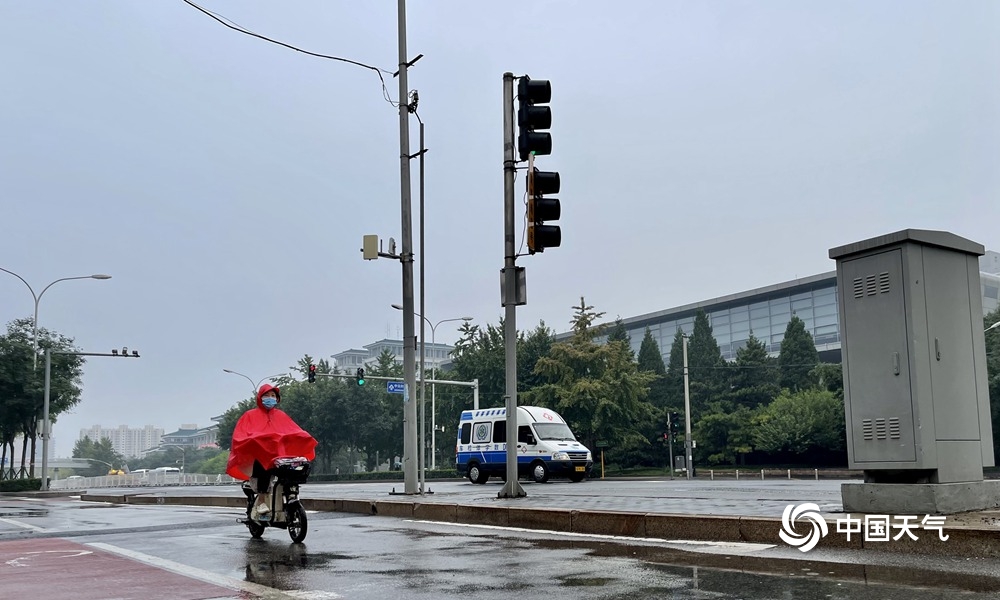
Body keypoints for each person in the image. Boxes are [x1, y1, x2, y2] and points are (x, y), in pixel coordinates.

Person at [226, 384, 317, 520]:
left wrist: (305, 437)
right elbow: (240, 436)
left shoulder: (281, 415)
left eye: (273, 396)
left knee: (296, 469)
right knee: (263, 467)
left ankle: (291, 495)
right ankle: (262, 500)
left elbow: (293, 430)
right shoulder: (250, 416)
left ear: (278, 399)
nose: (270, 398)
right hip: (261, 457)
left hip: (281, 458)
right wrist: (257, 440)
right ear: (260, 398)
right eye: (266, 396)